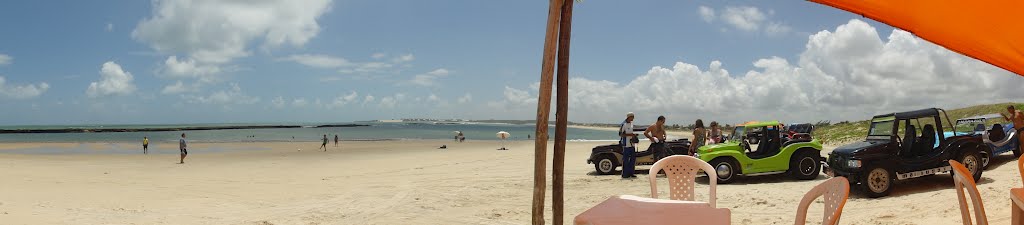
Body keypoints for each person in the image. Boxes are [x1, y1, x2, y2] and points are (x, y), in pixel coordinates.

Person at [620, 112, 638, 179]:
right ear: (629, 117)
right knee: (626, 160)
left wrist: (634, 136)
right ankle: (625, 174)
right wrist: (630, 135)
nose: (633, 118)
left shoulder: (632, 124)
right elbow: (621, 134)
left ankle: (631, 173)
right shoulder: (623, 124)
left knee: (632, 160)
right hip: (626, 145)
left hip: (632, 144)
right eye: (632, 117)